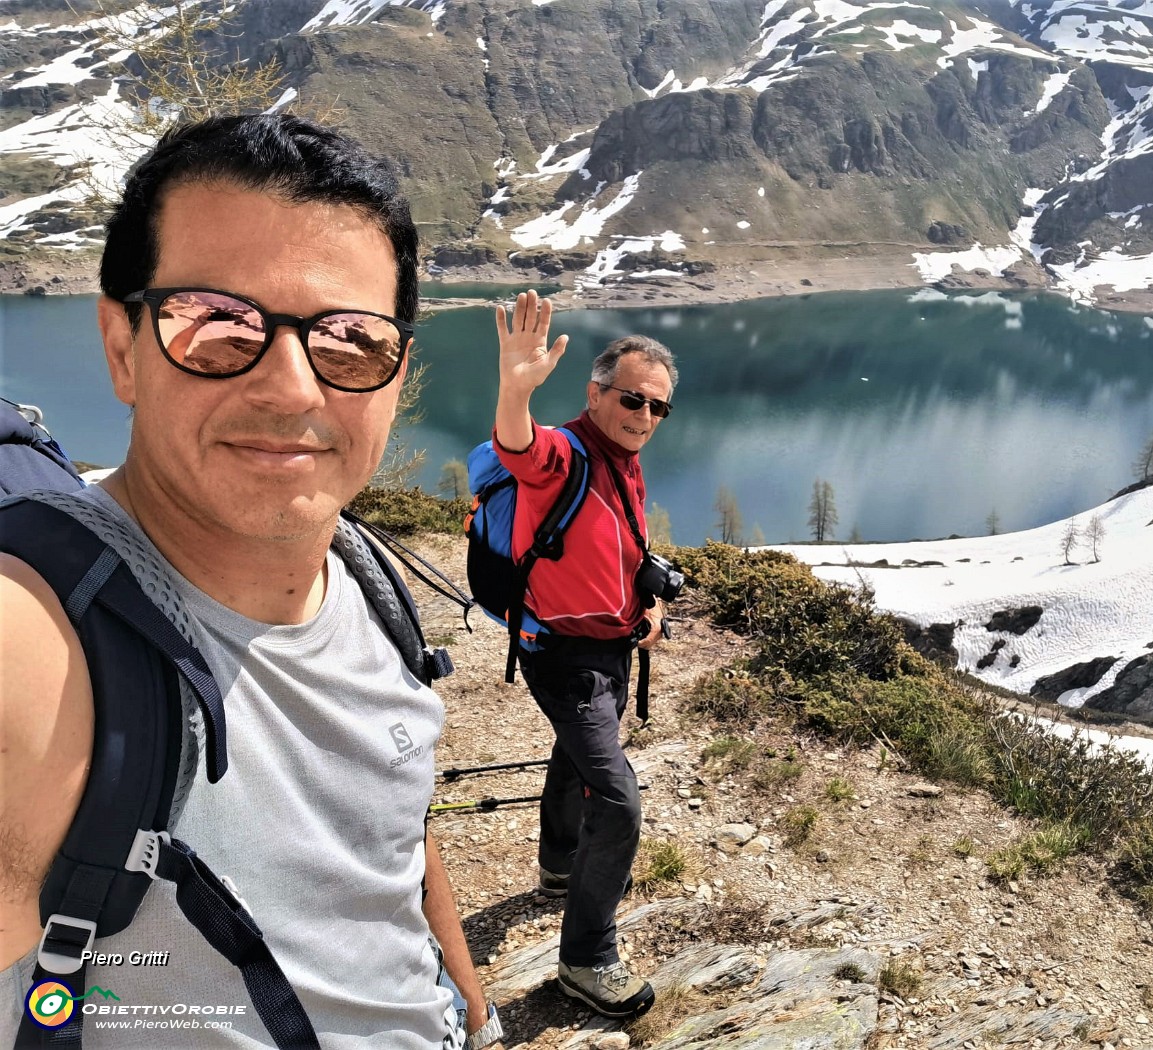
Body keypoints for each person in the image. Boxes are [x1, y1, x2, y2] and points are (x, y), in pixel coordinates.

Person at [0, 115, 502, 1049]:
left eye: (352, 341)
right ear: (123, 347)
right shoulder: (42, 636)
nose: (293, 389)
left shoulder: (363, 576)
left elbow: (384, 832)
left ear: (398, 376)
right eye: (217, 325)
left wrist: (469, 1007)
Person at [492, 291, 677, 1019]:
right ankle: (586, 959)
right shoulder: (564, 452)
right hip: (564, 658)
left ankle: (559, 864)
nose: (645, 417)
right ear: (597, 393)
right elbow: (518, 444)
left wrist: (650, 604)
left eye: (659, 408)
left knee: (574, 760)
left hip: (610, 651)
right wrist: (515, 388)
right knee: (620, 800)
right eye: (633, 400)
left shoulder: (623, 459)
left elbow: (623, 545)